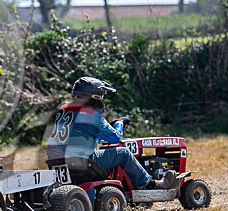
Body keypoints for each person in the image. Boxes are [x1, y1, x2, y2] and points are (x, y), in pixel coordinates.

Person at [46, 77, 178, 190]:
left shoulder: (64, 109)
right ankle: (150, 184)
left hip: (55, 161)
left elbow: (82, 130)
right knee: (123, 153)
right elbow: (115, 137)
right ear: (95, 97)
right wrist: (120, 123)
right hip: (79, 162)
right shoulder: (91, 115)